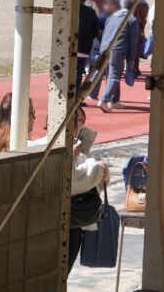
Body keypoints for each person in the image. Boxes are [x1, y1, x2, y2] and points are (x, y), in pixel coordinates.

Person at [68, 106, 110, 274]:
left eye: (82, 120)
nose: (81, 125)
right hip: (69, 219)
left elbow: (91, 180)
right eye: (77, 120)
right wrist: (98, 168)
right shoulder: (61, 147)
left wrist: (102, 173)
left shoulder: (76, 146)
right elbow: (75, 179)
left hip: (75, 219)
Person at [97, 0, 139, 113]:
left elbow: (105, 34)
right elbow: (133, 42)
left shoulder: (111, 17)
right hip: (117, 50)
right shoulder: (132, 19)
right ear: (134, 9)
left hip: (104, 48)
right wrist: (131, 59)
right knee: (114, 77)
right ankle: (104, 101)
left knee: (110, 76)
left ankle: (114, 101)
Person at [86, 0, 116, 101]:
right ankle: (92, 93)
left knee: (107, 73)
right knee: (99, 72)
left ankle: (107, 95)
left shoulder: (112, 17)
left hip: (107, 47)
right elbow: (97, 32)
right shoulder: (102, 17)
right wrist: (109, 36)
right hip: (100, 48)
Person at [76, 0, 100, 92]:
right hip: (83, 47)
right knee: (78, 73)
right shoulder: (90, 12)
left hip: (67, 45)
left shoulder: (70, 9)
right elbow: (96, 30)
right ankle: (75, 96)